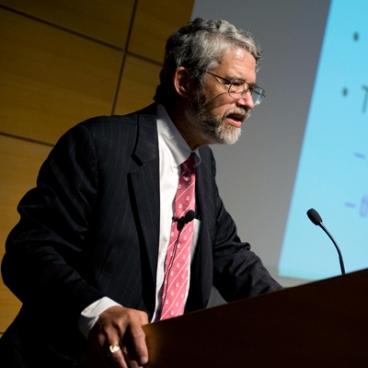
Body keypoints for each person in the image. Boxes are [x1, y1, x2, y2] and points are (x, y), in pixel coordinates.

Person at [0, 18, 281, 368]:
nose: (247, 102)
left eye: (251, 89)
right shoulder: (99, 144)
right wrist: (97, 311)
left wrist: (298, 312)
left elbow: (228, 253)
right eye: (234, 84)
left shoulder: (201, 165)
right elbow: (28, 253)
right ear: (184, 81)